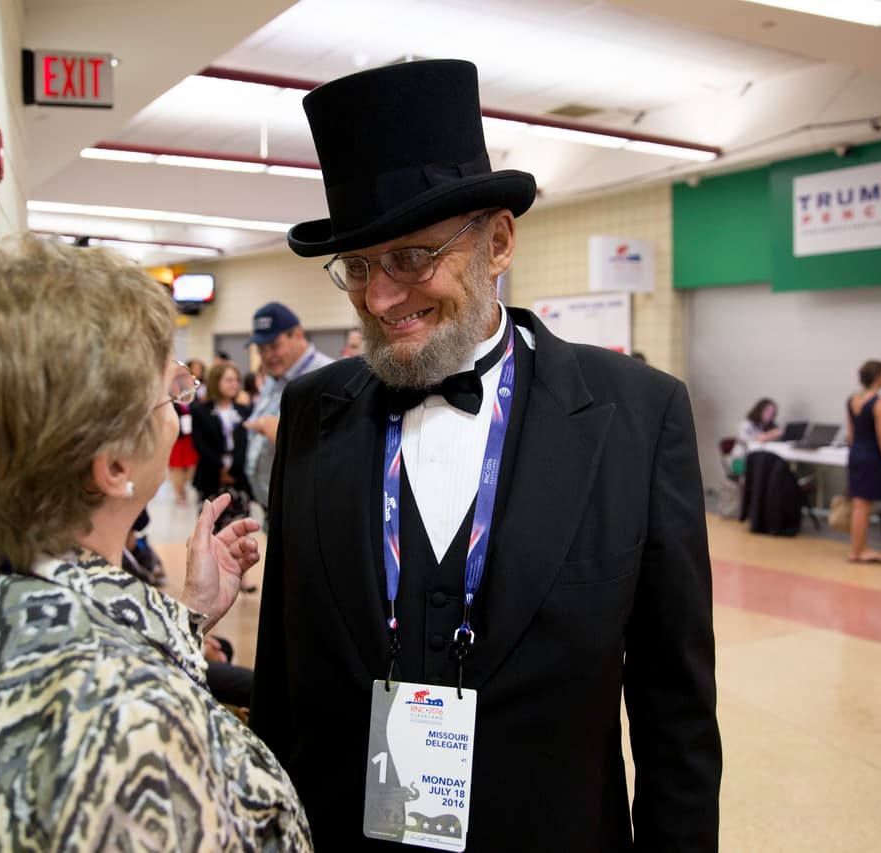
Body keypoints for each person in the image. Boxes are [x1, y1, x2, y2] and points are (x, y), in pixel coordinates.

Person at [250, 59, 720, 851]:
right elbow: (283, 683)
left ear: (497, 241)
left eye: (412, 258)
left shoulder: (638, 416)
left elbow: (676, 713)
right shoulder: (311, 411)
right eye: (359, 267)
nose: (380, 297)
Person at [0, 235, 310, 849]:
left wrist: (190, 618)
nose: (180, 407)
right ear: (113, 465)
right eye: (171, 394)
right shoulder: (136, 732)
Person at [242, 301, 334, 508]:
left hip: (305, 506)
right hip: (273, 504)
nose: (267, 356)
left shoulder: (326, 378)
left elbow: (330, 449)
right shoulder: (276, 376)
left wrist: (275, 430)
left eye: (274, 346)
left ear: (298, 335)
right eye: (261, 349)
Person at [845, 360, 881, 564]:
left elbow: (851, 434)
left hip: (856, 452)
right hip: (872, 455)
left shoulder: (852, 400)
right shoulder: (879, 403)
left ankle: (858, 547)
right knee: (863, 506)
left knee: (858, 503)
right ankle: (859, 550)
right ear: (878, 377)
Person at [191, 361, 254, 532]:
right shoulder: (200, 411)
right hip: (211, 477)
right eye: (229, 380)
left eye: (236, 380)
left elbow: (246, 444)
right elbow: (200, 444)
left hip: (238, 478)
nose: (234, 384)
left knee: (238, 530)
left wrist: (233, 469)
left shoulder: (244, 410)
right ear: (216, 382)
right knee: (211, 530)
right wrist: (220, 469)